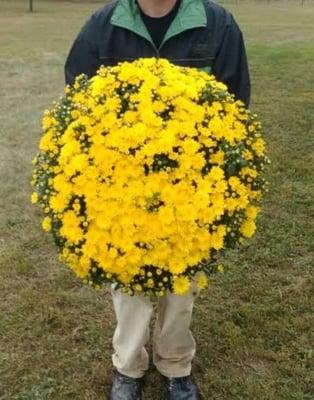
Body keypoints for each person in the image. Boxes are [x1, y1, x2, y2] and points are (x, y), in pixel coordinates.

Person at [64, 1, 250, 399]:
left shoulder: (216, 24)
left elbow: (236, 102)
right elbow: (77, 100)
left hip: (194, 190)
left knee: (181, 287)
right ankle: (128, 367)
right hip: (119, 191)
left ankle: (175, 363)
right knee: (127, 281)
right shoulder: (104, 25)